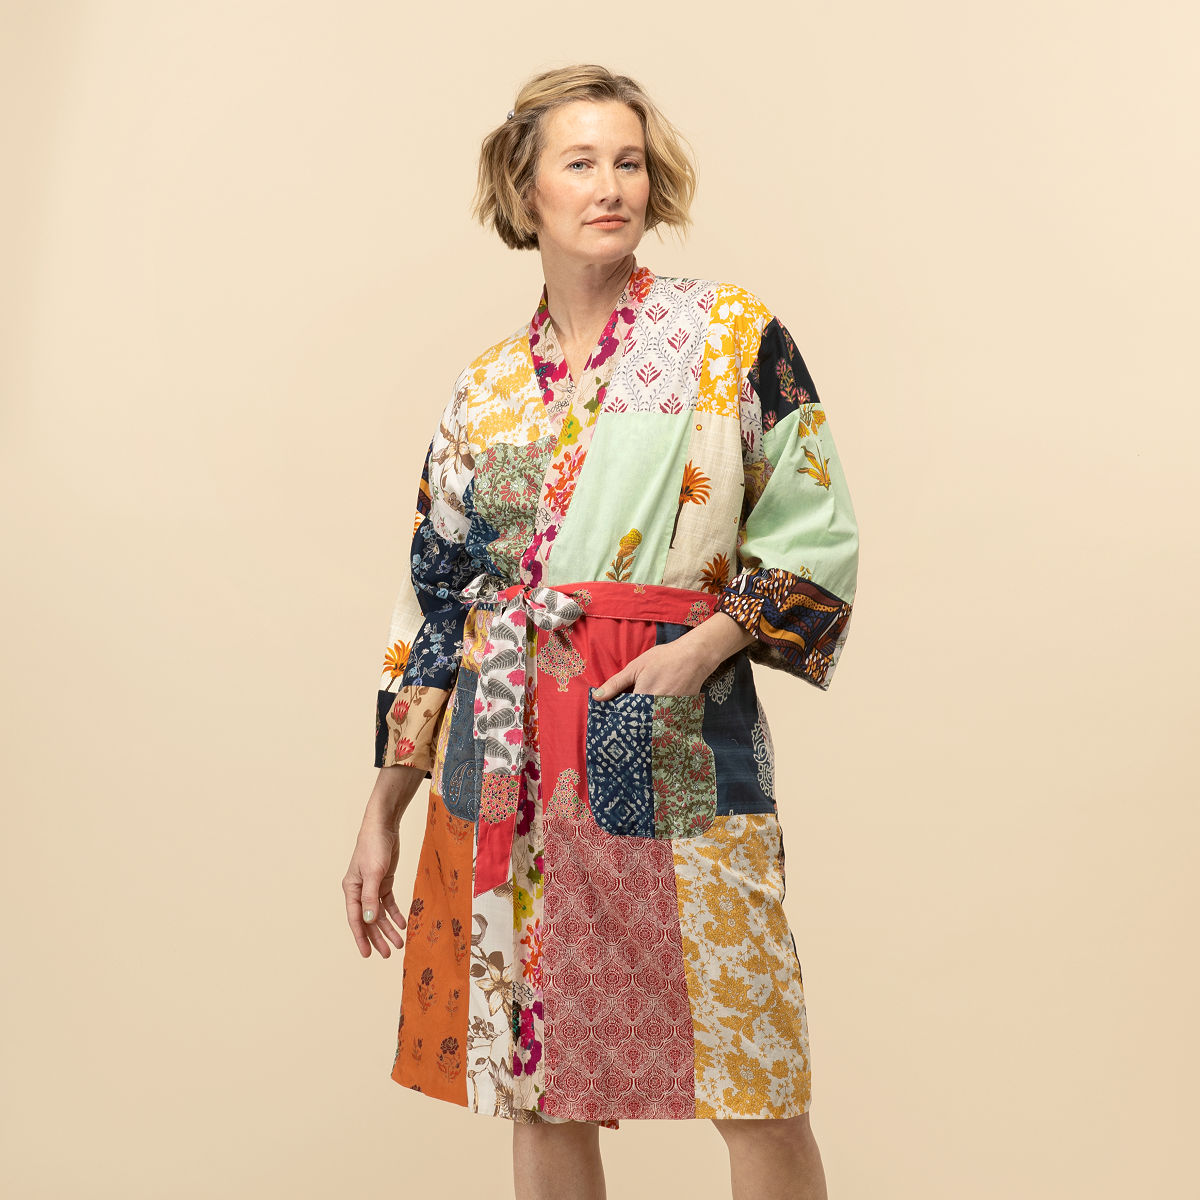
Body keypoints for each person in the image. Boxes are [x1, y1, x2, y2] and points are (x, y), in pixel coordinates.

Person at [343, 63, 858, 1200]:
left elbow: (814, 531)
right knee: (540, 1083)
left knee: (755, 1073)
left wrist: (700, 651)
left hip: (669, 725)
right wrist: (382, 810)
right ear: (524, 190)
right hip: (506, 754)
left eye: (628, 162)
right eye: (580, 163)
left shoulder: (731, 335)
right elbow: (432, 607)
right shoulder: (484, 391)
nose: (611, 185)